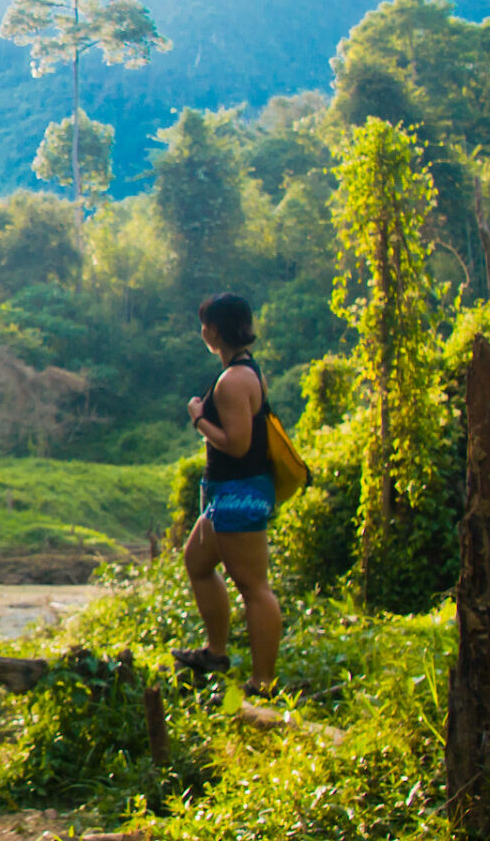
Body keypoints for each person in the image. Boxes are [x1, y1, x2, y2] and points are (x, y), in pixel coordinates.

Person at [175, 292, 282, 696]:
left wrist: (199, 420)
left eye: (205, 324)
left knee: (254, 586)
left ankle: (263, 682)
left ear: (215, 331)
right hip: (226, 492)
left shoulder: (234, 381)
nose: (203, 330)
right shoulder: (241, 371)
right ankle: (215, 652)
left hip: (239, 492)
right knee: (197, 562)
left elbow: (237, 444)